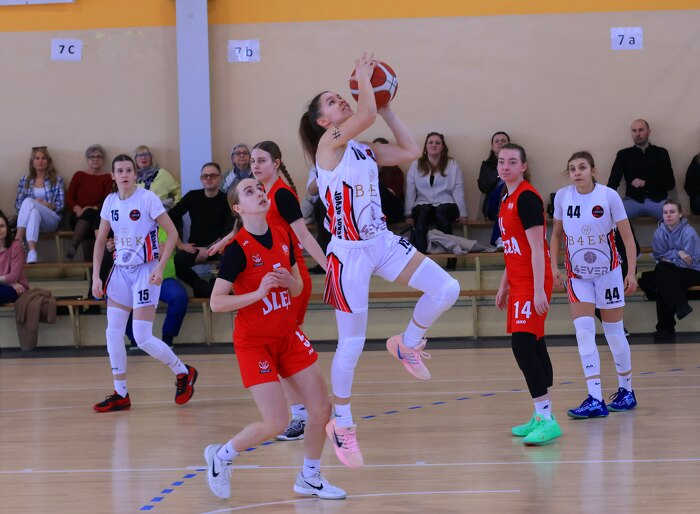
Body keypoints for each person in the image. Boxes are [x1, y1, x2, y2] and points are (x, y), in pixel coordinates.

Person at [299, 53, 460, 467]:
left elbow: (410, 150)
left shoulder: (364, 150)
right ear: (324, 121)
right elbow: (365, 112)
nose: (342, 99)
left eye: (340, 95)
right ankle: (343, 424)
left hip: (381, 242)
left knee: (447, 288)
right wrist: (364, 80)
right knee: (351, 344)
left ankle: (407, 343)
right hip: (347, 254)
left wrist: (386, 106)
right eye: (333, 101)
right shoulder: (327, 145)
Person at [204, 178, 345, 501]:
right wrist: (258, 293)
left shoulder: (282, 235)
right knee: (277, 421)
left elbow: (297, 287)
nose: (259, 192)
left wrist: (289, 283)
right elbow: (216, 302)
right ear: (238, 208)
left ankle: (310, 476)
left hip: (287, 335)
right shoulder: (236, 250)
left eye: (259, 188)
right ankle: (222, 456)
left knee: (321, 408)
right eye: (249, 191)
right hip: (255, 343)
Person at [210, 141, 328, 441]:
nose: (255, 166)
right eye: (252, 161)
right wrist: (226, 240)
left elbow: (303, 236)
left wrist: (329, 268)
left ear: (276, 163)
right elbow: (245, 228)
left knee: (284, 344)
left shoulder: (281, 195)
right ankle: (300, 413)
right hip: (264, 278)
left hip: (286, 274)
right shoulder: (254, 205)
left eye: (261, 161)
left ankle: (304, 413)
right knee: (277, 343)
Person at [91, 154, 197, 412]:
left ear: (135, 174)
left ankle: (183, 372)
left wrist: (160, 267)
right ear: (113, 176)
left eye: (129, 170)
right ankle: (121, 393)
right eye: (120, 170)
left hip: (145, 271)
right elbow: (100, 240)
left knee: (142, 337)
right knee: (113, 333)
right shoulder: (110, 201)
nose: (125, 174)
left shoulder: (147, 198)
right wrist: (96, 276)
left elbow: (172, 233)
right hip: (120, 271)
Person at [550, 151, 638, 419]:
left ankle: (626, 391)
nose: (577, 172)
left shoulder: (608, 196)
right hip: (577, 276)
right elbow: (556, 235)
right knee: (584, 333)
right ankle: (595, 398)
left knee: (614, 334)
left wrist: (631, 273)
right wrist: (553, 267)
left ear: (593, 170)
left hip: (608, 273)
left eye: (582, 167)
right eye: (572, 168)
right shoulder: (562, 197)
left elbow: (628, 238)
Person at [495, 143, 561, 445]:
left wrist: (537, 291)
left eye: (512, 161)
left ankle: (545, 418)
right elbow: (513, 246)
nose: (505, 166)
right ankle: (542, 415)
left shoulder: (527, 198)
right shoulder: (506, 197)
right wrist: (504, 283)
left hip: (533, 280)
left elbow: (537, 248)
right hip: (519, 279)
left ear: (523, 166)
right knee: (534, 343)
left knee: (522, 346)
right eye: (501, 161)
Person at [404, 132, 468, 268]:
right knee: (423, 214)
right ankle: (420, 260)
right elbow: (410, 191)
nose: (434, 145)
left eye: (437, 143)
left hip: (447, 203)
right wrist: (408, 214)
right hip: (422, 203)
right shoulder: (416, 165)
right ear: (425, 146)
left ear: (443, 147)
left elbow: (458, 189)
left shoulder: (452, 164)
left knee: (441, 213)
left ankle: (451, 258)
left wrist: (463, 214)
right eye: (431, 142)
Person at [168, 162, 232, 298]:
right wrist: (180, 244)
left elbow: (229, 231)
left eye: (213, 175)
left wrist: (208, 249)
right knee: (177, 261)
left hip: (220, 247)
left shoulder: (226, 200)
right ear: (201, 179)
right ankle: (201, 286)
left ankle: (216, 287)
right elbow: (168, 218)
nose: (208, 178)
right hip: (195, 247)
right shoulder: (192, 196)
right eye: (205, 176)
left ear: (220, 178)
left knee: (233, 258)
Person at [125, 226, 189, 350]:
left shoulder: (166, 229)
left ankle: (168, 338)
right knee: (120, 298)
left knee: (179, 297)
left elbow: (163, 251)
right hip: (137, 281)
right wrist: (154, 251)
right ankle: (134, 339)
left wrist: (144, 252)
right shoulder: (132, 229)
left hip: (165, 279)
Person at [650, 200, 700, 342]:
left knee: (663, 275)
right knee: (663, 277)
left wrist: (669, 260)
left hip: (693, 271)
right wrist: (678, 253)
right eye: (665, 212)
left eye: (672, 212)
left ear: (680, 214)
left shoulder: (689, 232)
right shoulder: (659, 233)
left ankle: (665, 329)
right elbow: (658, 255)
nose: (668, 215)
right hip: (671, 272)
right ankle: (680, 304)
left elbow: (691, 261)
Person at [607, 119, 674, 220]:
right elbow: (613, 181)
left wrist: (645, 183)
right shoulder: (623, 154)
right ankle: (630, 232)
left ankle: (663, 231)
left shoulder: (661, 153)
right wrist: (607, 201)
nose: (637, 134)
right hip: (632, 201)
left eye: (641, 130)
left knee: (677, 217)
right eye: (634, 131)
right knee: (608, 217)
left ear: (649, 132)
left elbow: (670, 183)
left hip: (659, 201)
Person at [15, 146, 65, 264]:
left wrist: (47, 205)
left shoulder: (57, 180)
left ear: (48, 161)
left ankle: (17, 239)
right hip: (32, 221)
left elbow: (61, 205)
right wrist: (34, 204)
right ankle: (32, 252)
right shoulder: (25, 180)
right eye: (37, 158)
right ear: (32, 162)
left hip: (51, 219)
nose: (40, 161)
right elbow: (18, 204)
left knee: (29, 201)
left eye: (43, 158)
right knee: (33, 211)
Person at [65, 144, 113, 260]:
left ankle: (73, 247)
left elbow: (109, 200)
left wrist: (94, 208)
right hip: (77, 217)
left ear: (103, 160)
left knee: (90, 216)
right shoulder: (79, 175)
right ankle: (92, 267)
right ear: (87, 159)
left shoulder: (107, 178)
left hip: (98, 216)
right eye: (91, 157)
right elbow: (69, 198)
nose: (95, 159)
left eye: (98, 156)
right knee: (88, 221)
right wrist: (77, 209)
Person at [477, 131, 510, 247]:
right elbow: (483, 187)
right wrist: (498, 173)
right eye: (497, 141)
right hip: (492, 205)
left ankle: (499, 238)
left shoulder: (516, 163)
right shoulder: (486, 165)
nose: (500, 143)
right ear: (492, 146)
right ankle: (500, 238)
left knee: (508, 200)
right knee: (503, 188)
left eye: (503, 141)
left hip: (511, 204)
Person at [134, 145, 181, 210]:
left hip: (160, 213)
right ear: (135, 159)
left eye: (146, 154)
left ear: (151, 158)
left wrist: (175, 208)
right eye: (140, 155)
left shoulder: (162, 173)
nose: (143, 157)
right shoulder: (132, 177)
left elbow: (179, 190)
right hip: (138, 214)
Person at [373, 137, 405, 224]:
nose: (377, 151)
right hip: (374, 208)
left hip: (392, 210)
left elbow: (392, 193)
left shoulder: (396, 171)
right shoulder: (367, 170)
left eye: (380, 148)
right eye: (375, 148)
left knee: (378, 187)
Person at [0, 210, 29, 304]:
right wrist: (10, 282)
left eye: (2, 226)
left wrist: (11, 282)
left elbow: (13, 277)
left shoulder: (16, 246)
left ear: (7, 227)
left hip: (17, 288)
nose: (0, 230)